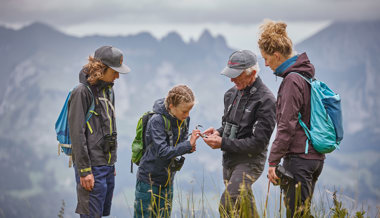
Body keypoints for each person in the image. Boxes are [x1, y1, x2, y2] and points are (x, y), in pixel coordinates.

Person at [258, 19, 325, 216]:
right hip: (314, 157)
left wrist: (272, 162)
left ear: (277, 55)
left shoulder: (292, 81)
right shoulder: (305, 76)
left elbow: (286, 126)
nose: (265, 63)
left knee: (297, 214)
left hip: (299, 158)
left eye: (266, 58)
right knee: (302, 213)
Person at [202, 50, 276, 217]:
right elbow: (229, 126)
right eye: (230, 74)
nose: (231, 79)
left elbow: (258, 144)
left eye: (236, 75)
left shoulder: (266, 101)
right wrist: (218, 132)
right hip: (229, 160)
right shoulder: (230, 94)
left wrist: (222, 143)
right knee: (245, 212)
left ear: (253, 73)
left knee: (227, 205)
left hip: (250, 162)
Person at [68, 45, 130, 217]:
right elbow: (77, 133)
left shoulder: (108, 90)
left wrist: (111, 162)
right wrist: (85, 170)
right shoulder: (82, 92)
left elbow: (110, 127)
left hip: (107, 166)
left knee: (101, 214)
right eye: (115, 71)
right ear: (101, 69)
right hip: (92, 168)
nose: (118, 76)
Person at [134, 85, 201, 218]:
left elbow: (179, 145)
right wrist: (187, 145)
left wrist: (190, 147)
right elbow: (163, 152)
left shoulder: (184, 119)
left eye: (189, 111)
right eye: (184, 111)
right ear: (171, 106)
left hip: (167, 179)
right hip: (148, 180)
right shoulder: (157, 121)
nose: (187, 115)